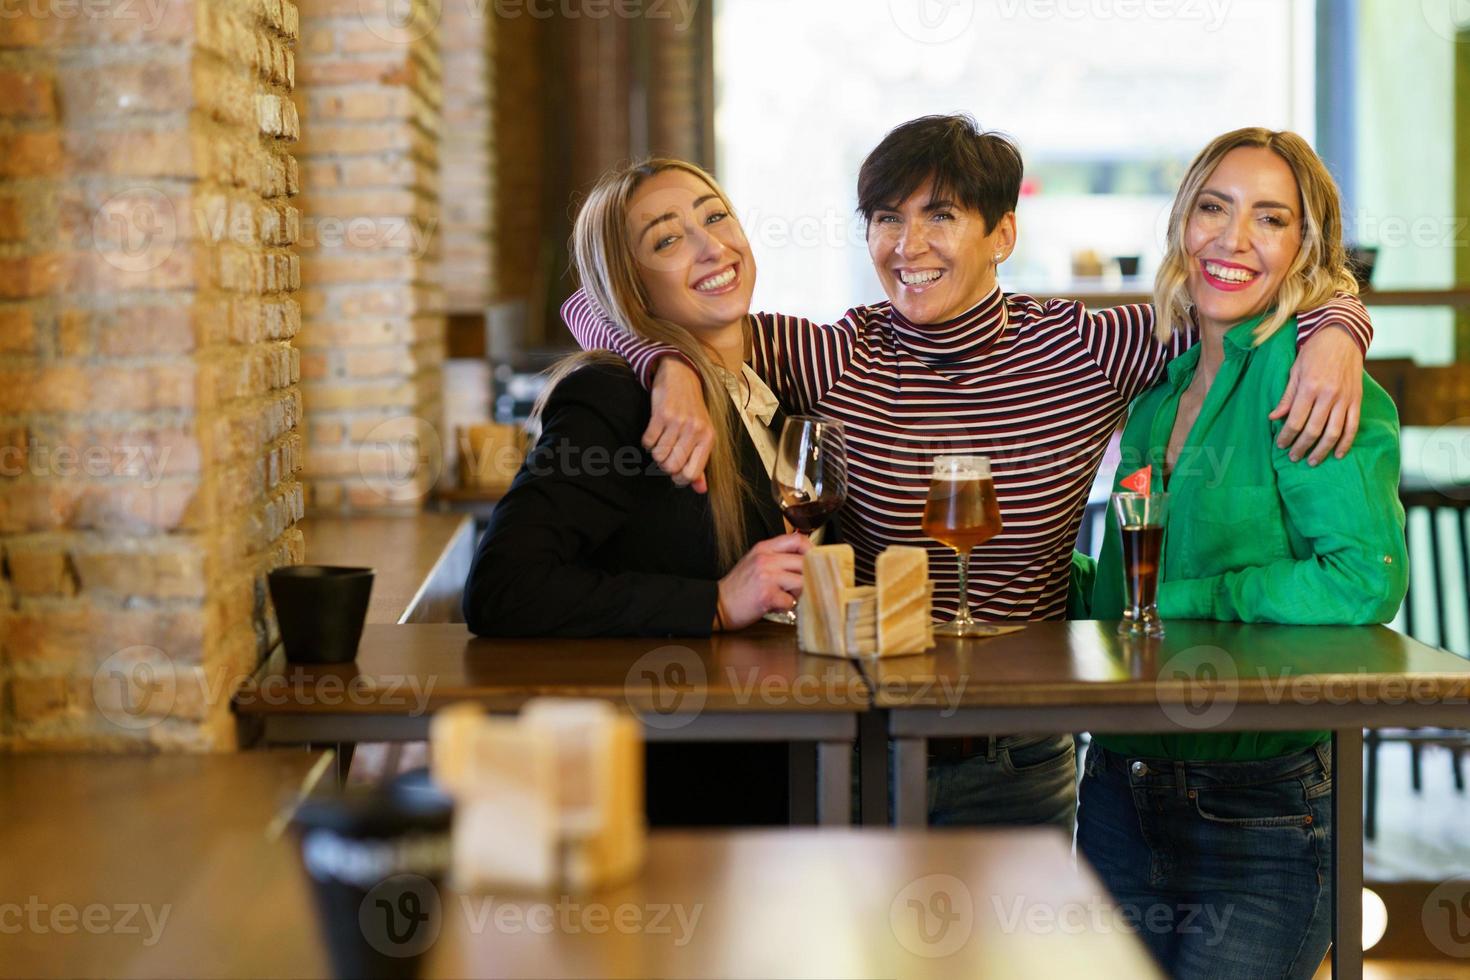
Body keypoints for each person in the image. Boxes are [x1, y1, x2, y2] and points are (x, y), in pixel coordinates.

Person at [560, 115, 1377, 831]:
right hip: (862, 740)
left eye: (940, 216)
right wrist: (666, 361)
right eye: (887, 219)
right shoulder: (832, 353)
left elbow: (1245, 288)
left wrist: (1341, 328)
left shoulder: (1088, 348)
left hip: (1021, 753)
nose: (907, 247)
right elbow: (594, 303)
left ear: (1003, 235)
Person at [1075, 128, 1408, 979]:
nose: (1232, 240)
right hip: (1119, 790)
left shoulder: (1314, 380)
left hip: (1263, 807)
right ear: (1183, 224)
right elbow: (1125, 599)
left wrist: (1202, 597)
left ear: (1308, 247)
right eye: (1214, 208)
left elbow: (1361, 580)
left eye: (1270, 218)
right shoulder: (1156, 396)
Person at [462, 158, 811, 824]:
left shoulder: (774, 379)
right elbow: (504, 587)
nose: (712, 246)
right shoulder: (613, 397)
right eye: (667, 239)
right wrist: (712, 603)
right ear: (631, 288)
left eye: (715, 216)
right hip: (685, 794)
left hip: (792, 759)